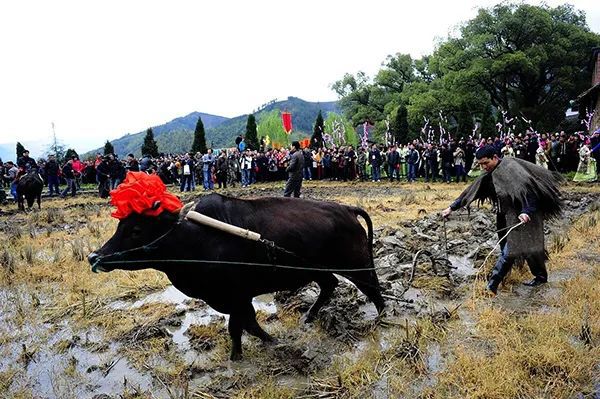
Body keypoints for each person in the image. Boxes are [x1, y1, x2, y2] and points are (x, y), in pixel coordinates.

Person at [442, 145, 563, 295]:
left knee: (512, 251)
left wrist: (526, 212)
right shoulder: (489, 173)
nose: (483, 167)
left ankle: (491, 286)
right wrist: (451, 208)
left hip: (522, 217)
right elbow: (471, 191)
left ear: (495, 157)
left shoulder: (511, 168)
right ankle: (540, 277)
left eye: (486, 163)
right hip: (504, 216)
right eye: (480, 164)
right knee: (517, 249)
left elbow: (529, 192)